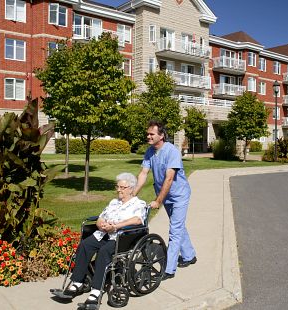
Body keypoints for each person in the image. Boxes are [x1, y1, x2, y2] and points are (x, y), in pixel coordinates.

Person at [62, 172, 147, 305]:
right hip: (103, 233)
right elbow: (101, 216)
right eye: (117, 187)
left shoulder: (138, 204)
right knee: (85, 245)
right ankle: (77, 282)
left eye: (122, 188)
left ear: (131, 189)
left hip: (121, 238)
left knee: (104, 252)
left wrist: (117, 226)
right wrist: (100, 223)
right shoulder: (114, 202)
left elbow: (137, 220)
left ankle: (96, 291)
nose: (118, 190)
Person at [134, 120, 197, 280]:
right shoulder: (149, 152)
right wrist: (132, 195)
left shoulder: (172, 151)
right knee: (178, 226)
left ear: (161, 136)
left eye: (151, 134)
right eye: (147, 133)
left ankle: (169, 269)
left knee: (175, 229)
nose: (148, 136)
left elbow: (169, 179)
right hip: (166, 195)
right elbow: (143, 174)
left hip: (179, 195)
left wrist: (158, 201)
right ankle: (190, 256)